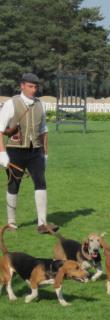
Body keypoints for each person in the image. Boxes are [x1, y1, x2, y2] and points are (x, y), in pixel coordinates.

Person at [0, 73, 57, 233]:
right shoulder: (12, 103)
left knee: (41, 182)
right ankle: (11, 222)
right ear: (22, 86)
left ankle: (42, 223)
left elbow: (44, 130)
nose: (34, 89)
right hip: (15, 150)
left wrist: (45, 154)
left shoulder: (40, 104)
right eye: (30, 86)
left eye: (35, 86)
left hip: (35, 151)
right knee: (13, 184)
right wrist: (2, 153)